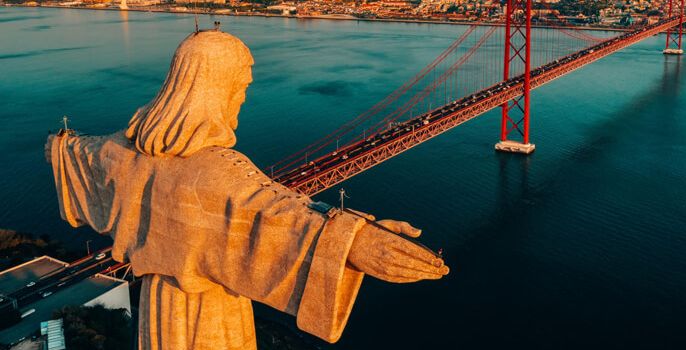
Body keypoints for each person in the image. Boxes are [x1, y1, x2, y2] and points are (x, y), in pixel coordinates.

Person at [45, 29, 448, 350]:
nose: (240, 98)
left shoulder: (122, 152)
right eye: (238, 88)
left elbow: (82, 153)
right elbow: (275, 217)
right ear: (214, 87)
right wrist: (357, 242)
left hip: (159, 307)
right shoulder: (218, 171)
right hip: (212, 312)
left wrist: (59, 147)